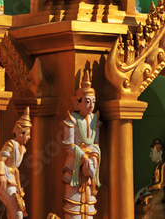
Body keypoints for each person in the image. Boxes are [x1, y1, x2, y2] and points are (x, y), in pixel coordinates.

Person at [62, 72, 101, 219]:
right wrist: (84, 157)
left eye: (93, 101)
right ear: (77, 103)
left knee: (89, 209)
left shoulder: (94, 119)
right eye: (87, 101)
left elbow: (96, 142)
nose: (91, 105)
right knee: (74, 209)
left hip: (91, 168)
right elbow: (68, 145)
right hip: (74, 169)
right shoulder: (72, 119)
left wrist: (93, 157)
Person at [0, 108, 31, 219]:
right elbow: (0, 159)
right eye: (28, 134)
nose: (29, 137)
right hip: (5, 178)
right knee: (15, 207)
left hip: (14, 180)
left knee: (18, 208)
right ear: (20, 132)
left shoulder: (23, 149)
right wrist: (0, 174)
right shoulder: (11, 144)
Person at [134, 139, 165, 216]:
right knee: (140, 197)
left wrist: (148, 188)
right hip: (153, 191)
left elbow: (162, 183)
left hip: (159, 192)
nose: (150, 155)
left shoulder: (163, 165)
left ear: (160, 153)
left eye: (152, 153)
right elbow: (152, 182)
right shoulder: (156, 166)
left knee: (147, 198)